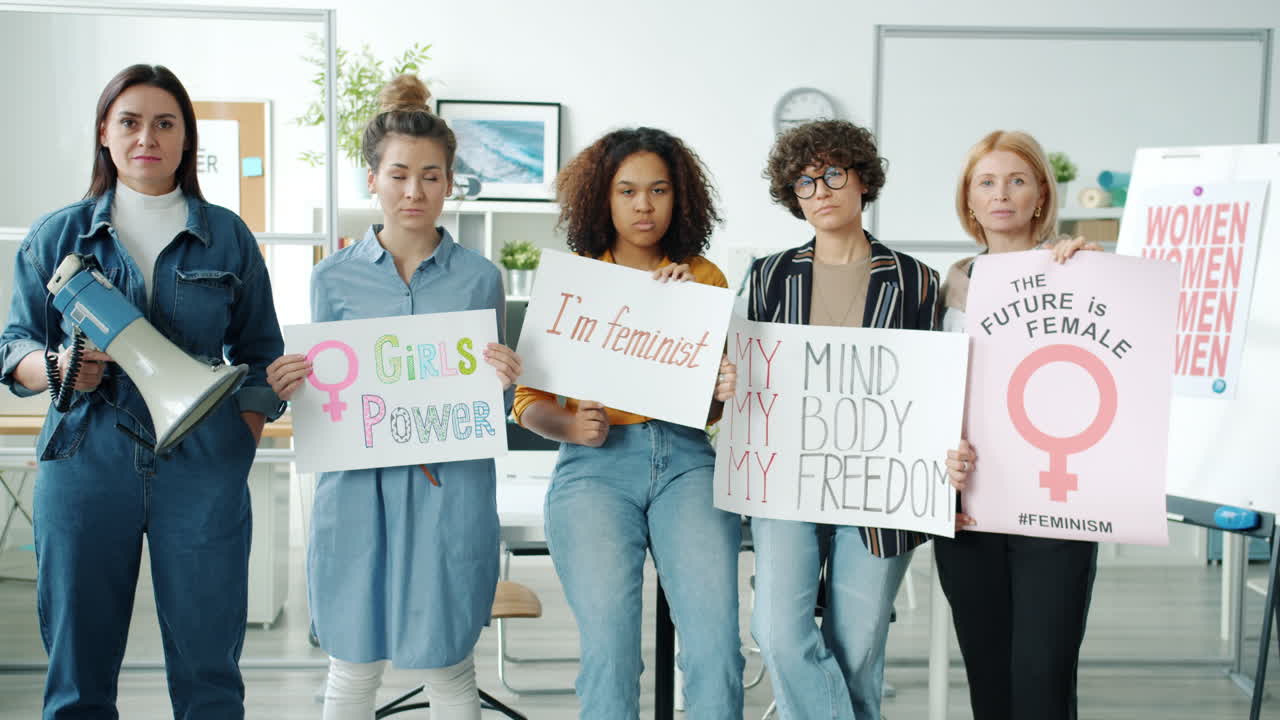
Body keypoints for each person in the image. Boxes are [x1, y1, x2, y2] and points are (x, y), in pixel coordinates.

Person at [0, 64, 285, 719]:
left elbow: (261, 356)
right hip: (84, 459)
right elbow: (12, 347)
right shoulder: (57, 236)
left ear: (186, 138)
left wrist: (236, 444)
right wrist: (60, 367)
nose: (146, 138)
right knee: (77, 673)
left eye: (164, 123)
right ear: (104, 132)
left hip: (203, 461)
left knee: (210, 672)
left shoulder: (228, 237)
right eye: (129, 122)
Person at [265, 74, 522, 720]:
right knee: (351, 667)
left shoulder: (480, 279)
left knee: (448, 666)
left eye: (431, 176)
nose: (414, 191)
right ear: (372, 179)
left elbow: (485, 406)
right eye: (399, 175)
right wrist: (290, 384)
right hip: (356, 492)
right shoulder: (331, 279)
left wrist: (504, 378)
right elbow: (327, 397)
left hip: (450, 493)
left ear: (450, 183)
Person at [512, 126, 743, 719]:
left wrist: (721, 388)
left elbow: (711, 409)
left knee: (716, 648)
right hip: (595, 467)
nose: (644, 205)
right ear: (603, 198)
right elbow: (528, 399)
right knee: (610, 655)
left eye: (659, 190)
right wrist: (570, 427)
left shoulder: (703, 278)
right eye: (628, 191)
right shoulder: (576, 280)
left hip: (687, 462)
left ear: (679, 198)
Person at [744, 119, 940, 720]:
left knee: (857, 651)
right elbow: (748, 374)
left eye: (833, 174)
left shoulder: (915, 281)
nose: (820, 191)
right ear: (793, 196)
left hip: (882, 486)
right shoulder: (769, 275)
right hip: (787, 478)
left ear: (862, 180)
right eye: (804, 182)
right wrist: (731, 381)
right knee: (777, 632)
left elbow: (932, 390)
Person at [934, 129, 1099, 720]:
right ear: (969, 200)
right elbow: (931, 398)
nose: (1000, 194)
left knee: (1042, 681)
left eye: (1016, 180)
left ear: (1040, 195)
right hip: (968, 510)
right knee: (989, 683)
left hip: (1056, 506)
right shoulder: (945, 289)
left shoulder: (1079, 271)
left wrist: (1095, 275)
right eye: (986, 182)